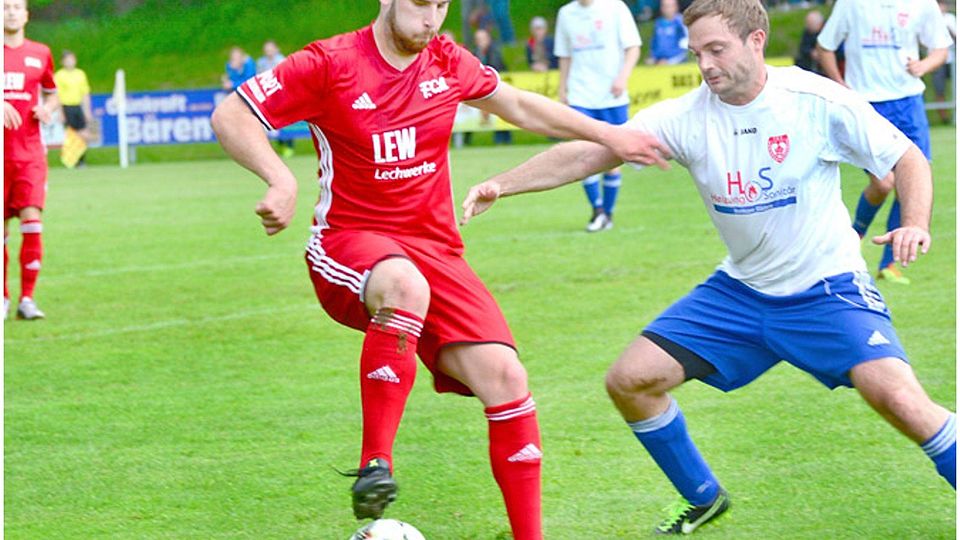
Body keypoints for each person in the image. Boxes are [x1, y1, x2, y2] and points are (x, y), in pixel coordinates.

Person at [462, 0, 956, 534]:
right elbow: (591, 153)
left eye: (716, 49)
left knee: (901, 400)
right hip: (741, 293)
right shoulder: (687, 115)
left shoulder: (813, 99)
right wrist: (502, 184)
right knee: (630, 380)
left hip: (826, 289)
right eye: (697, 52)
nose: (705, 64)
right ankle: (702, 496)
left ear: (757, 40)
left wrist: (916, 221)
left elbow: (907, 157)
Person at [210, 0, 668, 537]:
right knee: (403, 285)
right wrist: (280, 179)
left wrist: (610, 135)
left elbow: (519, 105)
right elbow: (231, 114)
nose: (431, 19)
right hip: (351, 240)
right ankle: (376, 465)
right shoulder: (328, 63)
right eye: (420, 4)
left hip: (436, 250)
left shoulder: (446, 59)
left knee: (507, 377)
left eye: (441, 6)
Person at [816, 0, 952, 285]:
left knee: (909, 184)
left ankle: (889, 264)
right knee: (883, 183)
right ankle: (853, 236)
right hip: (868, 104)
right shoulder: (851, 5)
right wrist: (840, 84)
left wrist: (924, 64)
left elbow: (941, 48)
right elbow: (824, 47)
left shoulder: (922, 4)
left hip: (909, 103)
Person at [555, 0, 642, 232]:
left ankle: (608, 213)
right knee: (582, 152)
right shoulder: (566, 13)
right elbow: (565, 55)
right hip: (580, 94)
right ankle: (597, 210)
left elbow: (633, 47)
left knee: (613, 157)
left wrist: (623, 77)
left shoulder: (615, 8)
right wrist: (562, 88)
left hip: (612, 96)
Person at [3, 0, 58, 321]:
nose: (10, 12)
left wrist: (48, 109)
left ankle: (27, 298)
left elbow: (51, 91)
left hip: (29, 155)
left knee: (33, 222)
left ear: (26, 15)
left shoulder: (40, 52)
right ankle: (4, 298)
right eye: (5, 7)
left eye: (16, 7)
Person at [472, 27, 512, 144]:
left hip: (496, 87)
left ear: (488, 39)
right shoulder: (474, 53)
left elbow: (498, 68)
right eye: (478, 39)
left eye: (482, 39)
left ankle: (503, 138)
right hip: (480, 89)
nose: (480, 42)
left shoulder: (495, 52)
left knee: (501, 111)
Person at [256, 39, 295, 158]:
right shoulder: (261, 62)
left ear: (276, 49)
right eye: (266, 49)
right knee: (270, 122)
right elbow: (258, 77)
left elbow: (287, 77)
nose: (268, 51)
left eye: (270, 48)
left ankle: (288, 146)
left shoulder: (281, 60)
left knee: (286, 120)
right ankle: (278, 146)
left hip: (282, 94)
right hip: (268, 97)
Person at [53, 49, 92, 167]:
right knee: (73, 134)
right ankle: (73, 160)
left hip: (77, 106)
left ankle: (81, 160)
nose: (70, 62)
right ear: (62, 62)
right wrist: (60, 112)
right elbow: (56, 95)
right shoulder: (59, 75)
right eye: (67, 60)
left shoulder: (80, 74)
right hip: (66, 107)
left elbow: (85, 93)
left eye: (71, 59)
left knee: (84, 134)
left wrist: (87, 111)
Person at [932, 1, 956, 124]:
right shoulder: (930, 19)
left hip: (951, 60)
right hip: (935, 60)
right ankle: (944, 118)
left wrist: (948, 29)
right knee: (939, 90)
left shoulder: (950, 18)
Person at [647, 0, 689, 65]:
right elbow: (654, 43)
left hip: (677, 63)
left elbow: (686, 45)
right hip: (659, 62)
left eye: (670, 6)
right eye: (664, 6)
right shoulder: (658, 23)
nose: (667, 9)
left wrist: (670, 62)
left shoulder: (681, 22)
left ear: (676, 7)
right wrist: (653, 57)